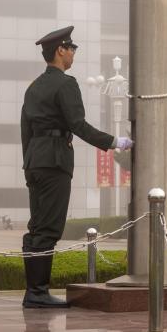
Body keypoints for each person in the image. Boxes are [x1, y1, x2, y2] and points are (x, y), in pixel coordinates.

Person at [21, 25, 133, 308]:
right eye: (71, 48)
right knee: (48, 229)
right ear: (60, 50)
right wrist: (114, 142)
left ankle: (33, 291)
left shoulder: (34, 87)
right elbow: (78, 125)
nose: (73, 53)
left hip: (35, 161)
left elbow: (26, 129)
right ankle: (37, 293)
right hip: (55, 161)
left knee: (37, 226)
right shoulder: (65, 84)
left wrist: (29, 162)